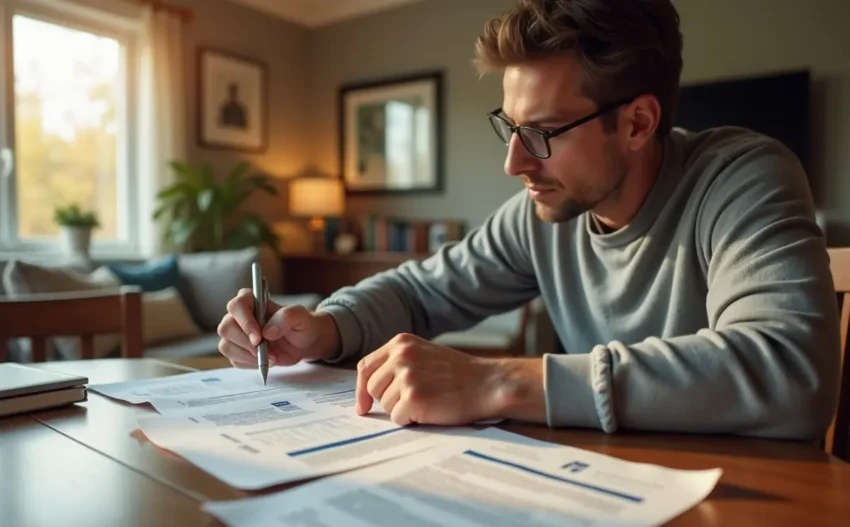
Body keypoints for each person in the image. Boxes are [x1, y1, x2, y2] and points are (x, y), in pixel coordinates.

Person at [217, 0, 840, 441]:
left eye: (540, 133)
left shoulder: (742, 178)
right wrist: (321, 329)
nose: (514, 162)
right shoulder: (541, 216)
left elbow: (789, 373)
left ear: (638, 123)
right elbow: (419, 290)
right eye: (511, 128)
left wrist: (495, 382)